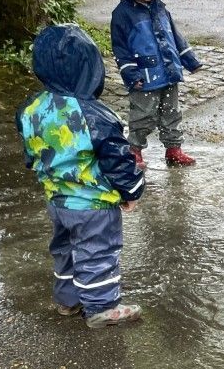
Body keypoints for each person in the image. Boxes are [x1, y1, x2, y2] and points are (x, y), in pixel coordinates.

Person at [16, 23, 145, 329]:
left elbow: (31, 151)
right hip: (93, 204)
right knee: (97, 251)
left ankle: (67, 300)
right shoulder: (94, 114)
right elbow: (117, 159)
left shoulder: (30, 108)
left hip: (57, 200)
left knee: (64, 249)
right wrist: (132, 190)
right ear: (89, 67)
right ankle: (101, 306)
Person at [110, 0, 203, 170]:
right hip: (144, 78)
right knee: (143, 116)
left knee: (172, 113)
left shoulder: (160, 8)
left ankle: (174, 150)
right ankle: (135, 151)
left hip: (169, 73)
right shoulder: (122, 15)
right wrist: (131, 74)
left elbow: (175, 36)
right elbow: (121, 49)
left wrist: (189, 59)